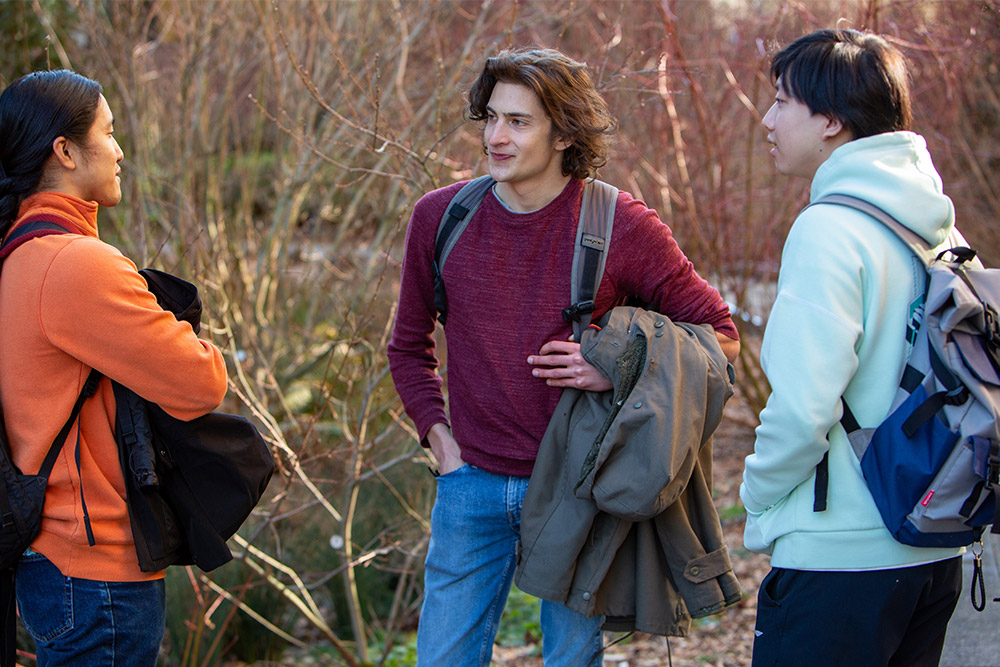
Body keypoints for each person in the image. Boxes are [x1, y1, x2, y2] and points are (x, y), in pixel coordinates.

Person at [388, 47, 739, 666]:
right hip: (470, 482)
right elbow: (407, 345)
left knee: (572, 660)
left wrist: (619, 365)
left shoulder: (623, 223)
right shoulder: (440, 217)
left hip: (581, 488)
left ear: (564, 132)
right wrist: (441, 444)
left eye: (518, 122)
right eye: (490, 117)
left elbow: (719, 333)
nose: (495, 136)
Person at [740, 29, 966, 666]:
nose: (768, 118)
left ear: (832, 120)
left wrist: (757, 495)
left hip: (839, 559)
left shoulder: (829, 229)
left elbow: (805, 408)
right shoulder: (935, 226)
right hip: (930, 546)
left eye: (783, 101)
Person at [0, 70, 228, 665]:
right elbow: (201, 383)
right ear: (66, 151)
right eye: (109, 131)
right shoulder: (75, 266)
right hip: (93, 569)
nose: (121, 150)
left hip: (51, 558)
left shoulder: (17, 254)